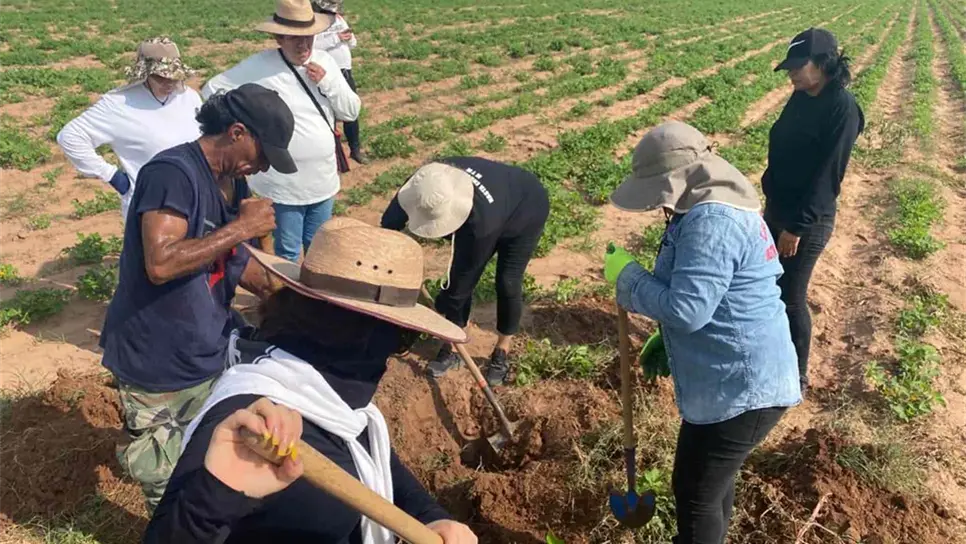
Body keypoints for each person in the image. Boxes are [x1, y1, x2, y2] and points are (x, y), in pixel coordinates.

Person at [144, 218, 478, 544]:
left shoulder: (333, 402)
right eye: (403, 339)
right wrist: (214, 496)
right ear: (369, 337)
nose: (392, 357)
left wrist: (433, 517)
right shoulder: (252, 427)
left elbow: (383, 464)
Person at [100, 83, 295, 511]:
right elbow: (162, 263)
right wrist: (243, 228)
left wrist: (292, 295)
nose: (261, 167)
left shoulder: (231, 183)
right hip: (157, 357)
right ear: (238, 132)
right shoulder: (172, 173)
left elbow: (236, 262)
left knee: (203, 455)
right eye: (262, 155)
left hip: (205, 346)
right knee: (165, 479)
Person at [605, 121, 801, 544]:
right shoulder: (705, 206)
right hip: (735, 375)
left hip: (745, 386)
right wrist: (669, 337)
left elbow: (689, 309)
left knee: (696, 493)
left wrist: (630, 280)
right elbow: (709, 296)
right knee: (711, 486)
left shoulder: (712, 220)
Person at [203, 0, 361, 263]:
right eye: (294, 38)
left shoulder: (326, 63)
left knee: (319, 249)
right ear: (278, 37)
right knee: (286, 251)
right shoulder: (259, 66)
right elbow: (211, 90)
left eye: (308, 37)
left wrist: (327, 83)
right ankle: (287, 302)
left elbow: (351, 111)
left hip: (323, 177)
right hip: (283, 183)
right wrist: (244, 123)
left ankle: (313, 303)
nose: (303, 46)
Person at [380, 157, 549, 386]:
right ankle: (454, 339)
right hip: (497, 198)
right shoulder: (424, 184)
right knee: (459, 284)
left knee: (507, 281)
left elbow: (461, 283)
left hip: (526, 208)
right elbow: (388, 225)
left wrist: (432, 313)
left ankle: (501, 350)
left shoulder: (480, 226)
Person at [763, 28, 864, 392]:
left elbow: (828, 176)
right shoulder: (801, 96)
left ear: (823, 64)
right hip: (777, 208)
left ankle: (796, 375)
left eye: (796, 66)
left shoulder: (842, 108)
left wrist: (796, 226)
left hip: (805, 221)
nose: (790, 74)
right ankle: (770, 353)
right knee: (766, 285)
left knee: (790, 294)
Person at [57, 37, 202, 222]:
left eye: (175, 76)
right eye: (161, 77)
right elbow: (70, 136)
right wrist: (113, 177)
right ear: (145, 73)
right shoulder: (119, 104)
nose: (169, 82)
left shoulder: (189, 98)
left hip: (196, 199)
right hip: (152, 209)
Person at [312, 0, 369, 164]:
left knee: (351, 111)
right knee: (327, 114)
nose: (332, 13)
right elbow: (313, 45)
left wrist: (349, 38)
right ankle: (331, 155)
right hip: (325, 74)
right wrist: (336, 38)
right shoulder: (313, 23)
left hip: (345, 71)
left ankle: (355, 149)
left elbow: (353, 44)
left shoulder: (339, 20)